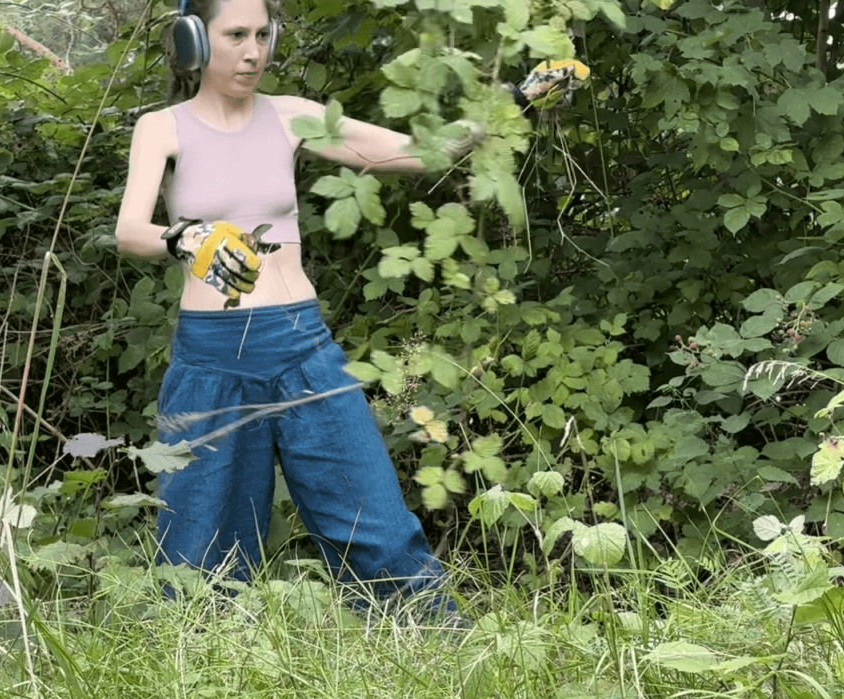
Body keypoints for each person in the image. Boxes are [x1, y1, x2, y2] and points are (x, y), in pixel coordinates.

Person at [113, 0, 586, 609]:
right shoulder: (163, 126)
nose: (254, 51)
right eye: (235, 35)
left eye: (263, 34)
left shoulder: (292, 117)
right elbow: (130, 231)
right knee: (197, 551)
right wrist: (186, 237)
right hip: (212, 359)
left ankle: (431, 655)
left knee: (375, 523)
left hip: (301, 346)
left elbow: (421, 153)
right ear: (194, 41)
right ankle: (198, 678)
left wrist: (515, 103)